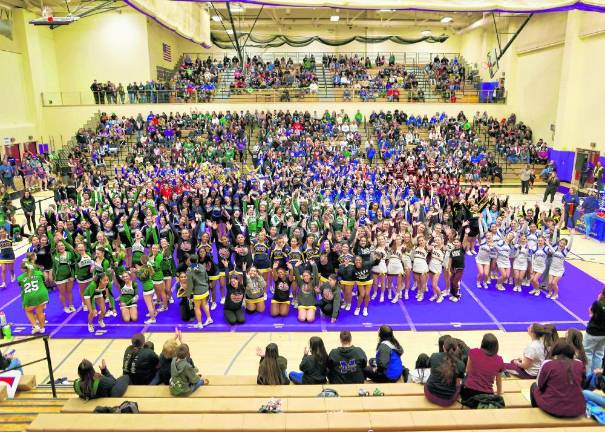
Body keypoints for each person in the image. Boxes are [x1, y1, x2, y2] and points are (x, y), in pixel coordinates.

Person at [530, 340, 585, 418]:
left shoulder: (548, 363)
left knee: (534, 386)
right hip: (578, 409)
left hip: (553, 408)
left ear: (555, 351)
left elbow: (540, 385)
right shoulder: (579, 363)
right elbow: (582, 384)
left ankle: (535, 415)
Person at [460, 333, 503, 405]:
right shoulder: (499, 360)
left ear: (483, 343)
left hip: (468, 394)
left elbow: (467, 371)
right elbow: (498, 382)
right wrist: (498, 395)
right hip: (487, 397)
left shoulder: (473, 352)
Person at [424, 338, 465, 406]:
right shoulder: (460, 364)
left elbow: (429, 367)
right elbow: (459, 380)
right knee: (458, 382)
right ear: (456, 348)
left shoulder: (435, 356)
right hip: (448, 400)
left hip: (430, 394)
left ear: (443, 347)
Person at [17, 260, 49, 334]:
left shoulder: (20, 278)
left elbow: (21, 286)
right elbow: (44, 280)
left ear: (23, 269)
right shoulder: (39, 273)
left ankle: (35, 326)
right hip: (41, 295)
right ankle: (42, 328)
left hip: (30, 296)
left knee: (28, 310)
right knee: (40, 312)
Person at [585, 286, 605, 373]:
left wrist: (598, 299)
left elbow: (590, 313)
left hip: (593, 333)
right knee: (599, 354)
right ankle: (596, 376)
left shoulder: (598, 304)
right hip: (603, 334)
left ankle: (588, 376)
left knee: (588, 353)